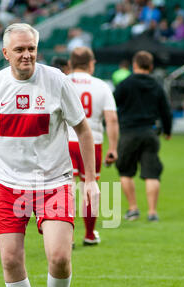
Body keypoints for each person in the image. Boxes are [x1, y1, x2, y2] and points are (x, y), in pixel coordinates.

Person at [0, 23, 100, 287]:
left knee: (59, 256)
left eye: (31, 48)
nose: (26, 55)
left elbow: (84, 131)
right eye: (19, 50)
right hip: (8, 185)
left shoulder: (56, 79)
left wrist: (90, 180)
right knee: (11, 259)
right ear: (5, 53)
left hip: (54, 181)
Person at [68, 47, 119, 245]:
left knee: (67, 188)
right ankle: (89, 234)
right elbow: (112, 119)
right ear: (91, 63)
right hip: (92, 143)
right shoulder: (101, 86)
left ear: (71, 63)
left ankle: (67, 236)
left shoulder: (63, 82)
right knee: (90, 185)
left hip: (65, 142)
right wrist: (112, 148)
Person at [114, 50, 172, 222]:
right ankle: (152, 212)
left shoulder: (125, 84)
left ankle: (133, 209)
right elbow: (165, 111)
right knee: (152, 173)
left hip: (128, 132)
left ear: (134, 65)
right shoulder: (157, 85)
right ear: (151, 66)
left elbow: (112, 103)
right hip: (150, 132)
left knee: (125, 171)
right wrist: (168, 131)